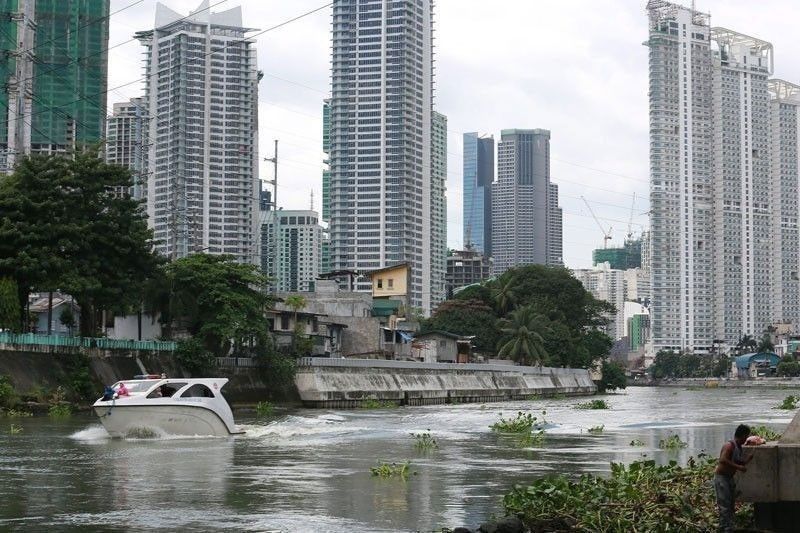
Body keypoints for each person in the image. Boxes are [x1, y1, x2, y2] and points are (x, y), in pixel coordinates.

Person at [715, 424, 752, 532]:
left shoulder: (738, 447)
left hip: (729, 478)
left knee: (730, 504)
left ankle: (727, 526)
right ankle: (726, 528)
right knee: (724, 504)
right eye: (746, 436)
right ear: (743, 435)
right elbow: (722, 460)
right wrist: (739, 467)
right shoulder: (729, 445)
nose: (746, 439)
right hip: (722, 478)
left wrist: (747, 460)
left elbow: (738, 461)